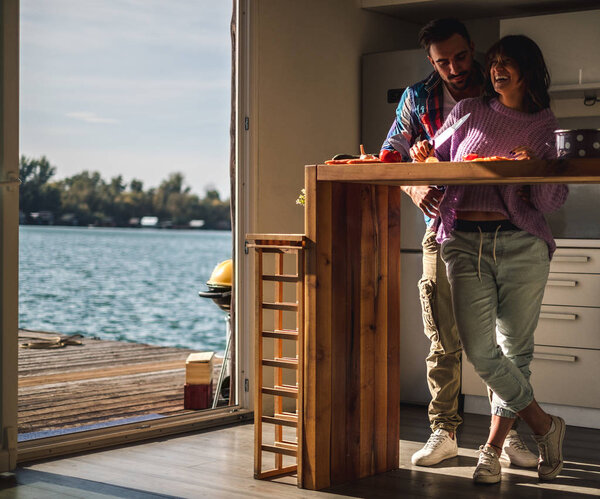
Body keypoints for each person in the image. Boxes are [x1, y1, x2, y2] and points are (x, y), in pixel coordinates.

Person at [410, 35, 568, 484]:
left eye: (508, 63)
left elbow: (551, 199)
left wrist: (531, 168)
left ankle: (491, 451)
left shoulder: (544, 125)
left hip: (521, 242)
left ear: (527, 70)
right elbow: (434, 158)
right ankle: (544, 425)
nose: (498, 70)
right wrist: (423, 156)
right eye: (494, 62)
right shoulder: (468, 111)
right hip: (463, 240)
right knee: (481, 351)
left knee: (516, 352)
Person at [380, 18, 537, 468]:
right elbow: (392, 152)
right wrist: (413, 188)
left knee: (501, 345)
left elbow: (532, 129)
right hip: (442, 229)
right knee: (442, 337)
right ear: (431, 61)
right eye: (442, 61)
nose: (454, 68)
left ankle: (504, 436)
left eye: (461, 56)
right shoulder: (417, 97)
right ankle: (443, 432)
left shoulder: (498, 83)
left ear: (473, 47)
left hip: (502, 227)